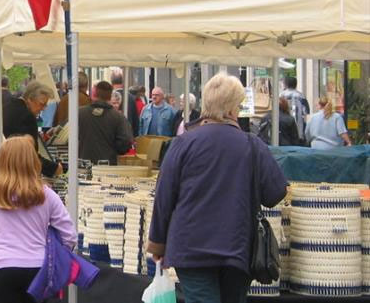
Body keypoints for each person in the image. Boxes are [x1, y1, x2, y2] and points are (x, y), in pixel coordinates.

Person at [148, 73, 288, 303]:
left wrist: (158, 244)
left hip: (190, 245)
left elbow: (164, 197)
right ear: (234, 109)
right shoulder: (252, 146)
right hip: (237, 246)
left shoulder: (183, 143)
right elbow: (275, 193)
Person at [0, 136, 77, 303]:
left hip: (3, 267)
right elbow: (69, 235)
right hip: (39, 267)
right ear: (34, 161)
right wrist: (56, 255)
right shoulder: (46, 194)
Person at [77, 82, 133, 165]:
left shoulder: (79, 113)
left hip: (83, 165)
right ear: (110, 95)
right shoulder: (118, 117)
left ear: (95, 93)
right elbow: (126, 141)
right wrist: (115, 150)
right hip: (107, 166)